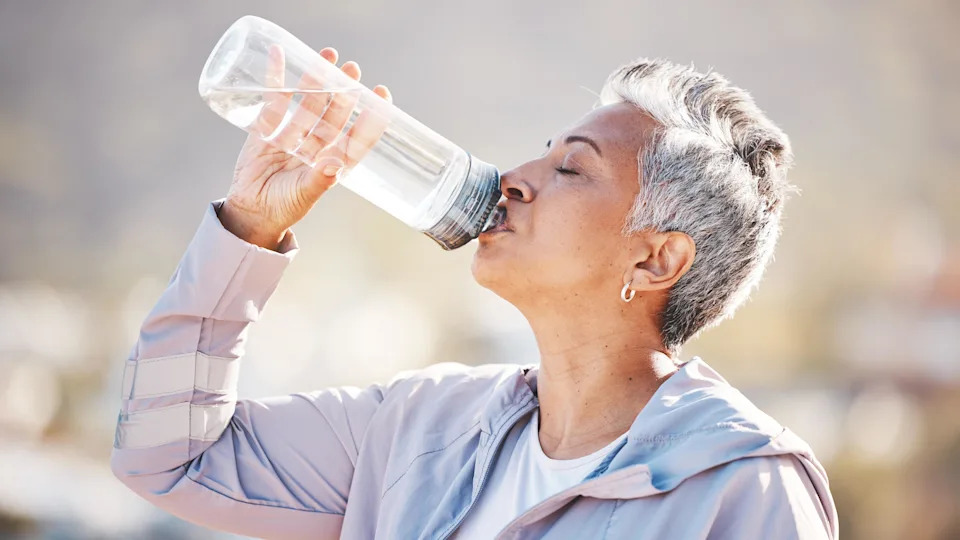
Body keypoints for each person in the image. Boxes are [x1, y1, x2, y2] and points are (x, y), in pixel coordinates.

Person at [110, 46, 837, 539]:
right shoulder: (419, 430)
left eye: (572, 170)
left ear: (656, 261)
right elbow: (169, 457)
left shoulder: (743, 490)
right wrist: (248, 224)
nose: (514, 175)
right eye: (544, 152)